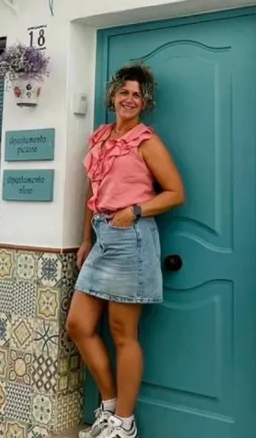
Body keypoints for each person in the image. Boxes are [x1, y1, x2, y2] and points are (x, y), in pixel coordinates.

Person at [66, 63, 185, 438]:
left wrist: (134, 210)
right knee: (78, 326)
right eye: (124, 92)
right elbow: (92, 193)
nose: (129, 99)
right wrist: (86, 239)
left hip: (131, 237)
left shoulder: (146, 141)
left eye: (137, 95)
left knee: (122, 334)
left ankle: (124, 424)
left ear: (144, 103)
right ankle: (110, 406)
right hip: (102, 238)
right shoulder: (101, 137)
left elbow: (175, 193)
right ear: (113, 96)